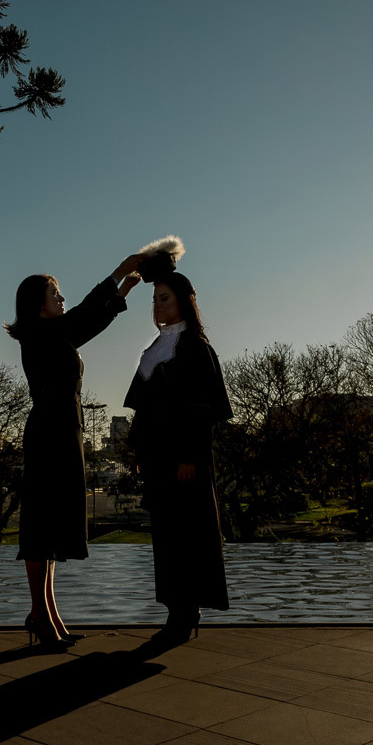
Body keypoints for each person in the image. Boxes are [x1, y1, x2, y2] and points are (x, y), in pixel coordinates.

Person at [6, 254, 141, 649]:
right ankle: (41, 616)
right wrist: (118, 272)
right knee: (39, 526)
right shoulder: (36, 333)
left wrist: (123, 292)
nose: (61, 298)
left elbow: (89, 322)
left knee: (50, 527)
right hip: (49, 433)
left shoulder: (56, 334)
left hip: (65, 432)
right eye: (55, 293)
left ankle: (46, 614)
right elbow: (82, 315)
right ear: (37, 302)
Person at [124, 270, 232, 644]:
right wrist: (139, 452)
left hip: (185, 460)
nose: (158, 304)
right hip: (157, 459)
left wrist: (190, 457)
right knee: (166, 536)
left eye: (164, 298)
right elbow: (144, 410)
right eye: (155, 299)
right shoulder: (156, 347)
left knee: (188, 534)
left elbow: (202, 410)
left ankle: (187, 611)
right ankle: (175, 608)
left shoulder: (195, 347)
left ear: (184, 301)